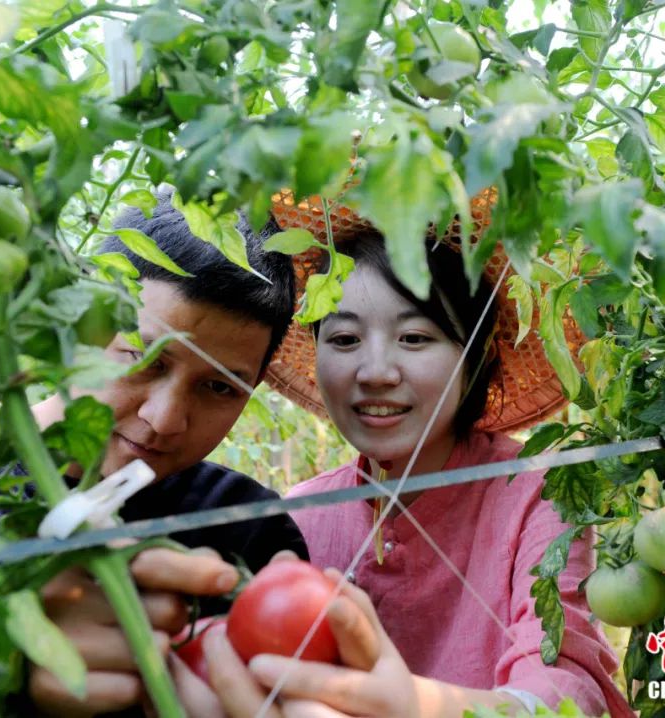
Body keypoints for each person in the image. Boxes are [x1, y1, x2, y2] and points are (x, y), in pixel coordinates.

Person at [180, 189, 633, 717]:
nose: (374, 373)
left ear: (477, 355)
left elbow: (565, 683)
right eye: (344, 338)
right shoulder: (297, 516)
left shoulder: (538, 495)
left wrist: (422, 706)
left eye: (415, 338)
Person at [16, 188, 311, 716]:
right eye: (143, 357)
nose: (165, 419)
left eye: (219, 388)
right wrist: (3, 661)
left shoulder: (248, 532)